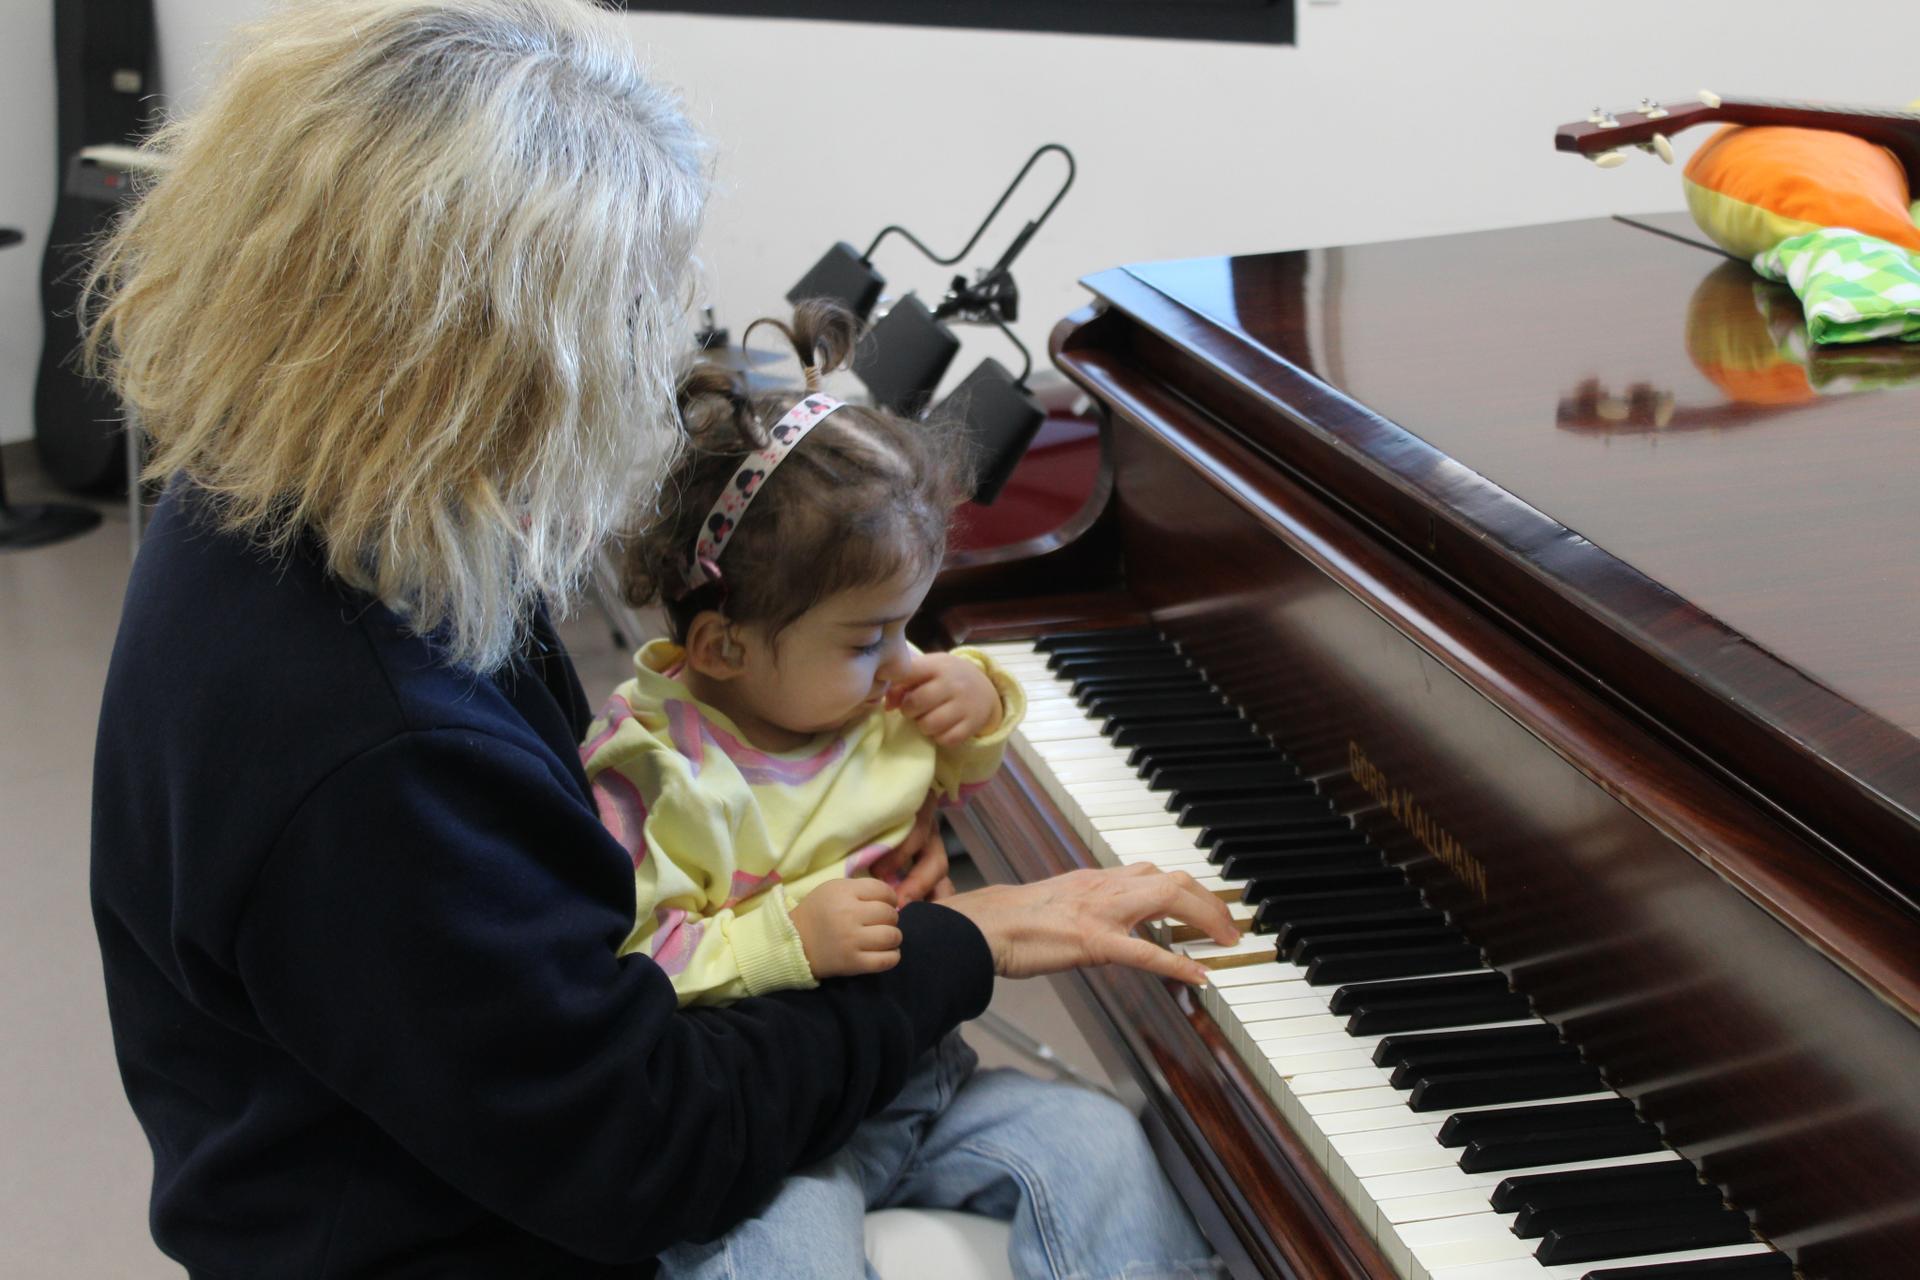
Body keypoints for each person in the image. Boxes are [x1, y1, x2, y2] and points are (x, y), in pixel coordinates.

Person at [82, 1, 1238, 1275]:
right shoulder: (362, 735)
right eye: (630, 319)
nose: (651, 370)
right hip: (464, 1229)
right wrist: (961, 946)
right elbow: (645, 1148)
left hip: (490, 1139)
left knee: (1108, 1163)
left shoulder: (304, 505)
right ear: (481, 359)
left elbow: (528, 922)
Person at [580, 304, 1219, 1278]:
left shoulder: (866, 701)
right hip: (774, 1133)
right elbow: (632, 961)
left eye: (909, 627)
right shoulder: (653, 768)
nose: (901, 662)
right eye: (867, 636)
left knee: (1104, 1146)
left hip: (923, 1085)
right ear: (722, 647)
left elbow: (958, 769)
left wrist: (981, 699)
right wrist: (786, 939)